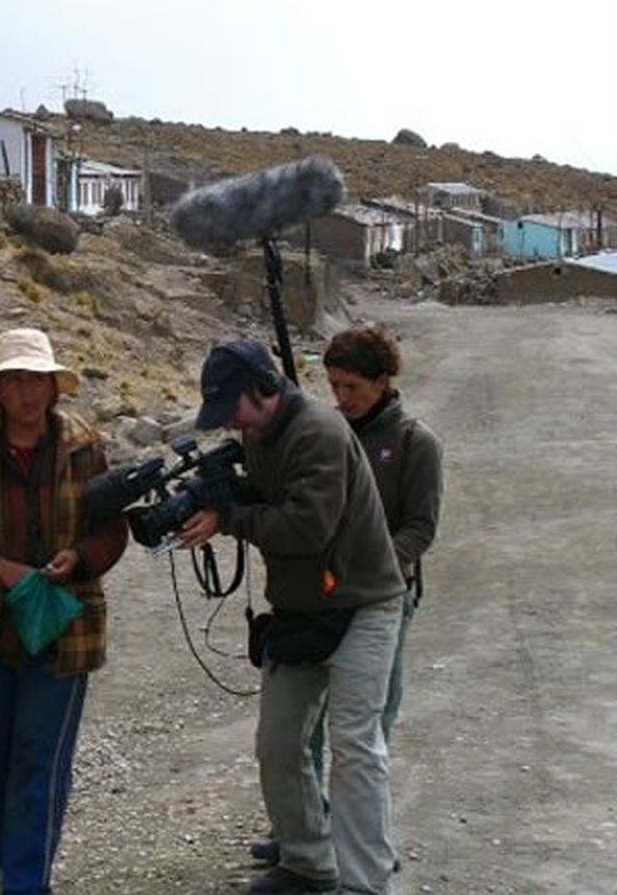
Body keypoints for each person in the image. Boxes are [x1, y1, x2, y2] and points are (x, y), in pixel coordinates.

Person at [180, 339, 404, 895]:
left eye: (235, 406)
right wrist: (215, 498)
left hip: (364, 603)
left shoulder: (319, 433)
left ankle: (365, 883)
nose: (231, 422)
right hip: (302, 609)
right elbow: (268, 496)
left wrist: (230, 516)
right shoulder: (259, 433)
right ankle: (307, 862)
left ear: (264, 388)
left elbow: (308, 528)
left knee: (354, 748)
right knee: (278, 742)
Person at [0, 327, 128, 895]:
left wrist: (80, 557)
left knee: (41, 764)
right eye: (15, 380)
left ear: (52, 386)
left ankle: (24, 881)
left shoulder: (85, 447)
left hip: (63, 633)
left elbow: (113, 529)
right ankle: (6, 852)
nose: (26, 393)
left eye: (36, 379)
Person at [323, 324, 443, 741]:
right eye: (334, 385)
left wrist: (372, 564)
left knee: (372, 717)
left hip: (386, 593)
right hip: (321, 593)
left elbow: (420, 528)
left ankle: (360, 805)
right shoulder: (325, 434)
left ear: (381, 381)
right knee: (314, 718)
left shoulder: (415, 442)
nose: (342, 398)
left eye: (352, 386)